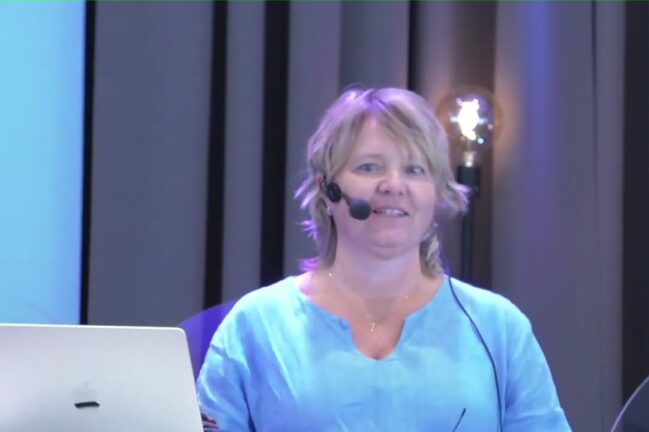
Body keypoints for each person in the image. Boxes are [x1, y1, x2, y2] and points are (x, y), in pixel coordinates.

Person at [196, 87, 570, 431]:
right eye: (370, 167)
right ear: (327, 189)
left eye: (415, 170)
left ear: (436, 193)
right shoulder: (255, 323)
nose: (394, 185)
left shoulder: (498, 327)